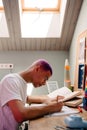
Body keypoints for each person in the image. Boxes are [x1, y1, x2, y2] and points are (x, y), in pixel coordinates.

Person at [0, 59, 63, 130]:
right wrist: (52, 108)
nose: (45, 83)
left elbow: (26, 98)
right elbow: (20, 115)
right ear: (37, 69)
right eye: (45, 78)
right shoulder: (10, 80)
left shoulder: (22, 83)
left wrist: (47, 99)